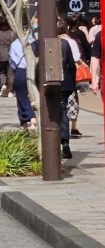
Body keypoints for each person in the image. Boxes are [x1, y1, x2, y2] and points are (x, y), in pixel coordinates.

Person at [57, 20, 78, 159]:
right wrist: (72, 82)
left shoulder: (41, 43)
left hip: (46, 84)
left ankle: (52, 143)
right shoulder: (64, 44)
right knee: (63, 111)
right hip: (64, 83)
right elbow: (71, 65)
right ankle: (64, 142)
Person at [8, 32, 35, 130]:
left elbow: (12, 61)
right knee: (34, 96)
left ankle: (28, 120)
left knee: (21, 97)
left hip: (21, 70)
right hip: (34, 70)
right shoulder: (33, 42)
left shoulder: (14, 44)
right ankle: (31, 120)